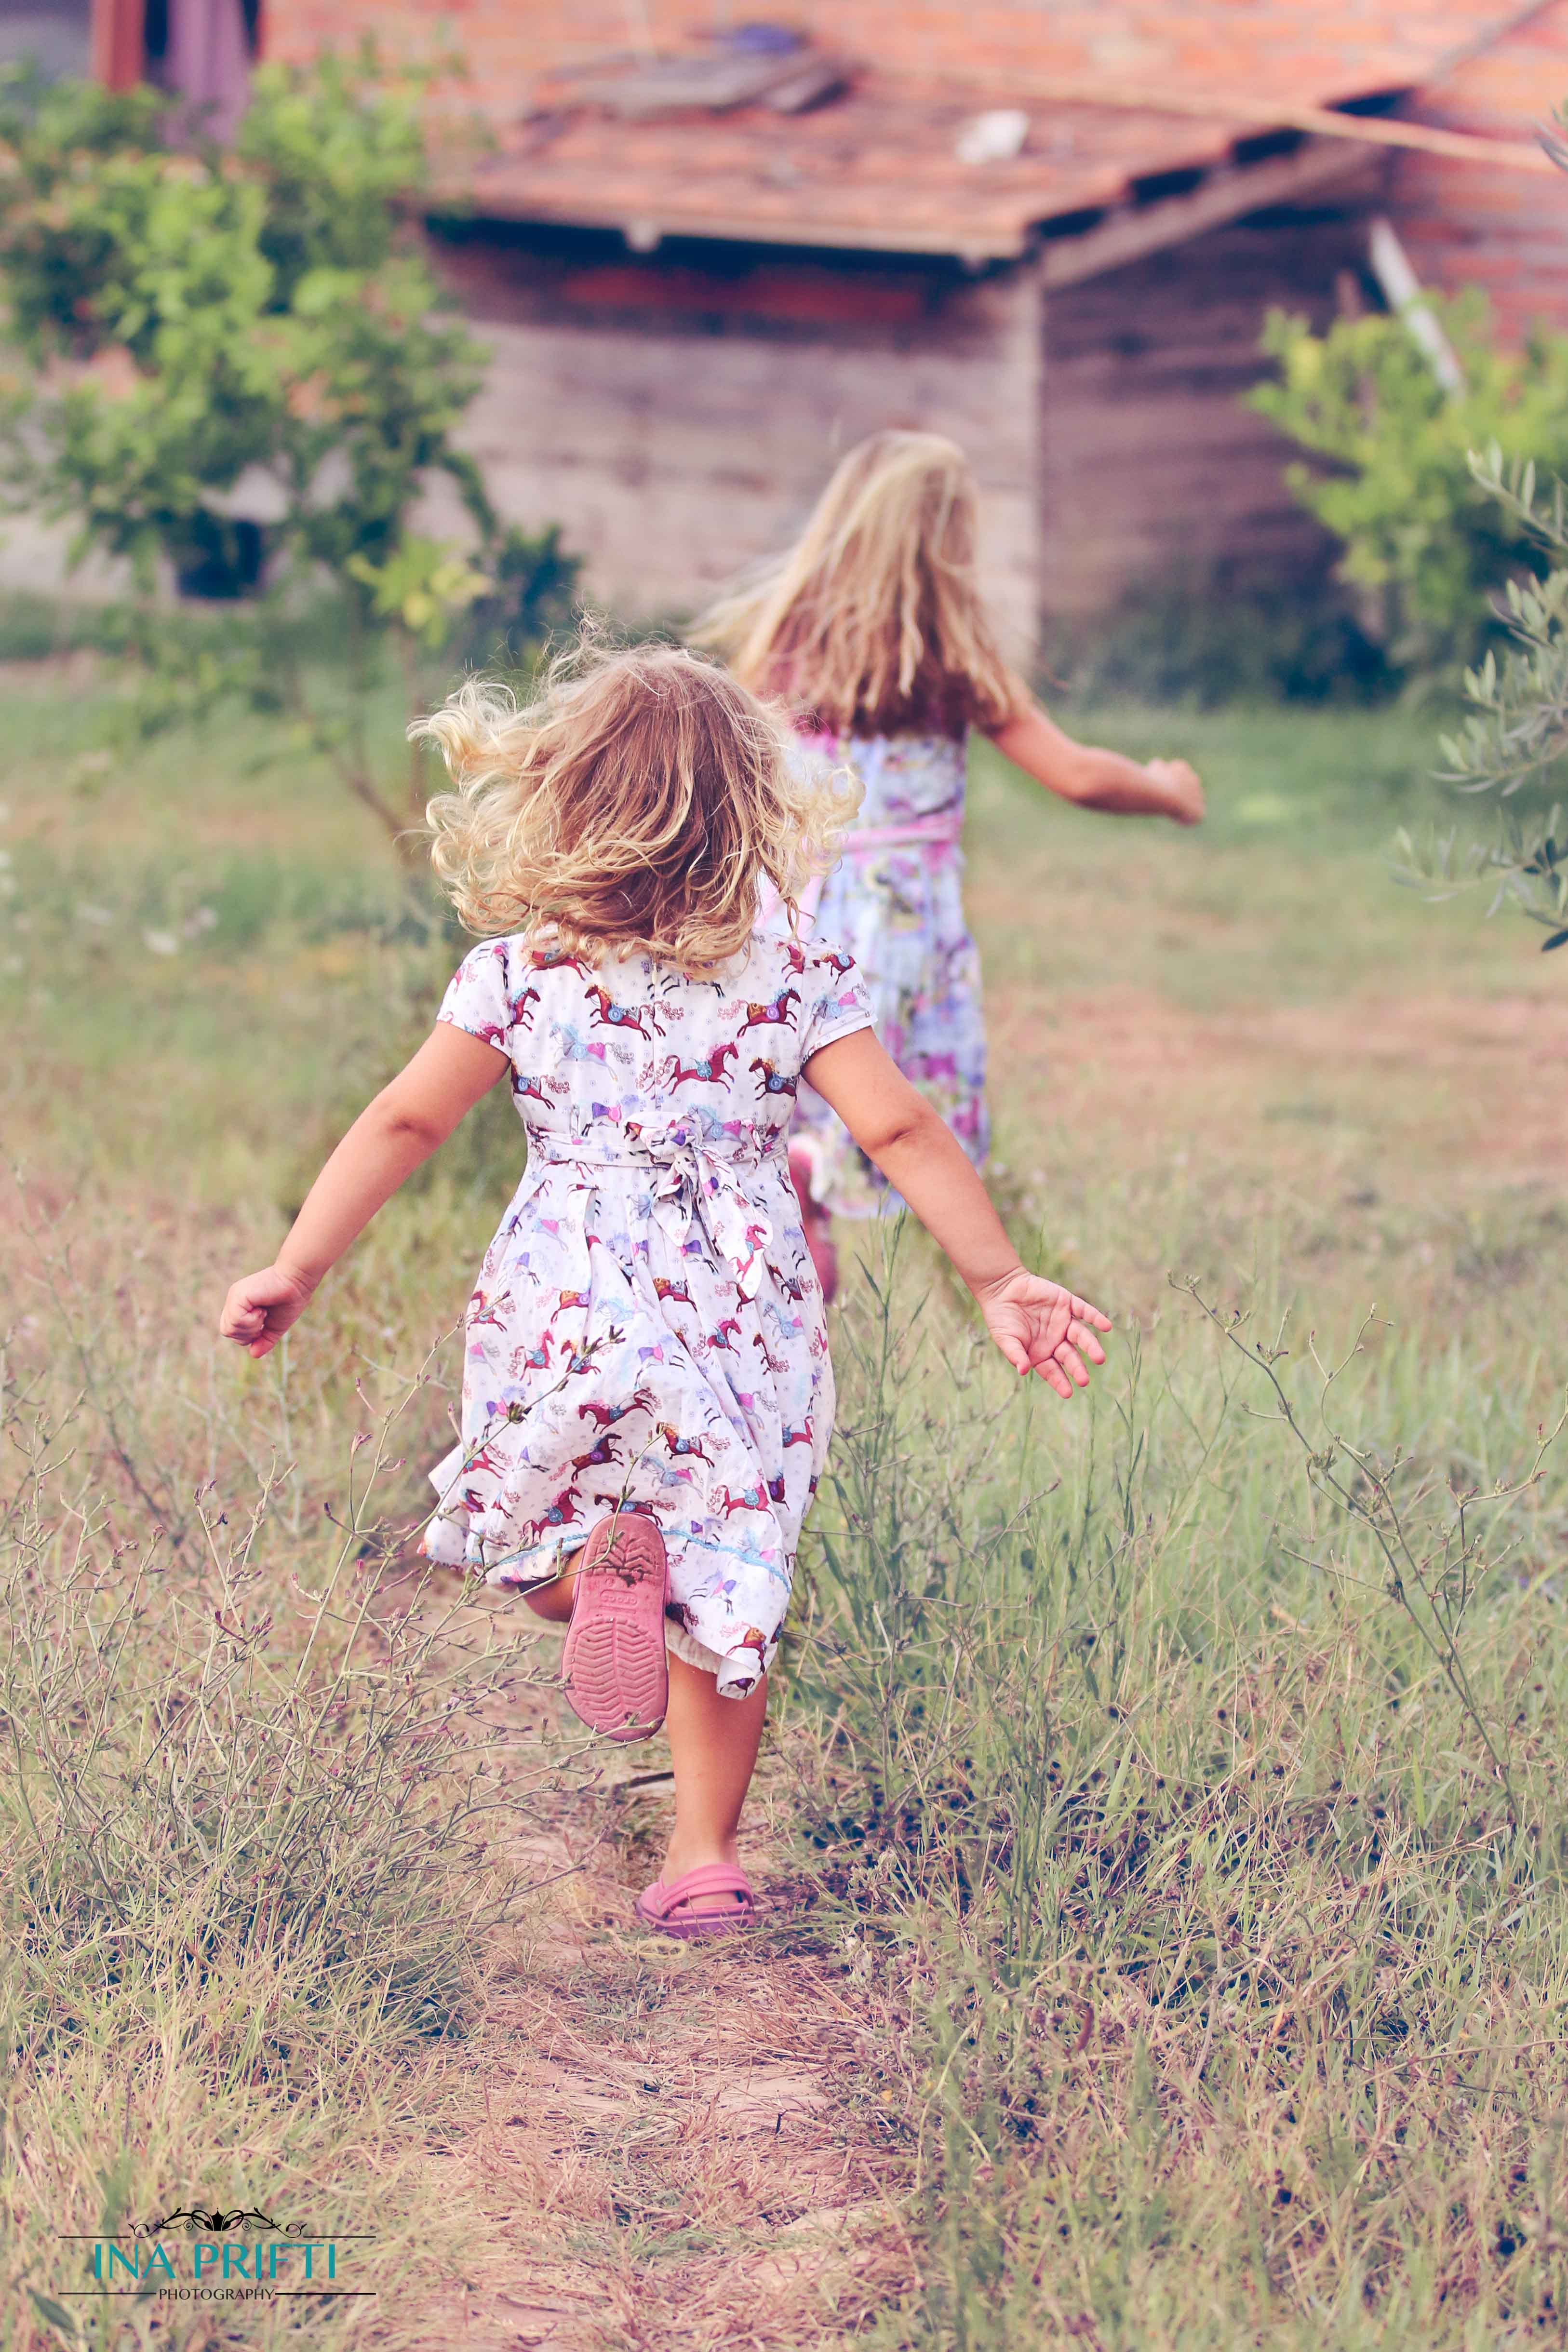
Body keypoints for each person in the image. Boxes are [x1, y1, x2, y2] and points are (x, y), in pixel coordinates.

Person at [217, 645, 1111, 1935]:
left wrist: (297, 1265)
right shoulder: (790, 969)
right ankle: (701, 1857)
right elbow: (899, 1131)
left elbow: (407, 1122)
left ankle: (587, 1580)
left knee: (530, 1529)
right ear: (749, 807)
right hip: (742, 1304)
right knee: (726, 1561)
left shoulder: (521, 972)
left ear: (562, 796)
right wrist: (998, 1274)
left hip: (562, 1286)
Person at [695, 428, 1206, 1296]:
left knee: (798, 1070)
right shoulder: (951, 664)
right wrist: (1166, 792)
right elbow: (1077, 776)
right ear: (944, 548)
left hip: (789, 910)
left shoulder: (783, 644)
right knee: (890, 1092)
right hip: (898, 931)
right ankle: (827, 1178)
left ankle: (794, 1193)